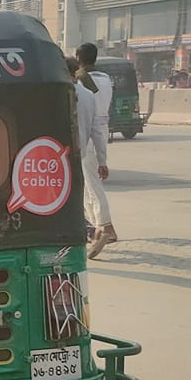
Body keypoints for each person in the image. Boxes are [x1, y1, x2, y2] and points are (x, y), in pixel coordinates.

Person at [73, 43, 116, 254]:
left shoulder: (81, 79)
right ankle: (94, 226)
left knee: (91, 184)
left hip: (87, 130)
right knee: (87, 184)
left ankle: (104, 226)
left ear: (79, 58)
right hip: (101, 127)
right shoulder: (106, 78)